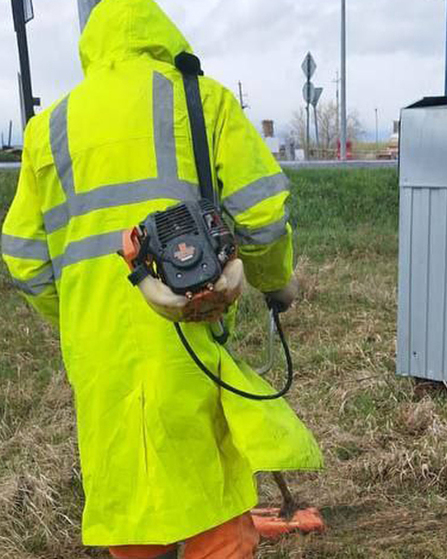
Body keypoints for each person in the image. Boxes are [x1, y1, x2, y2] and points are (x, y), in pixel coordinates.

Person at [0, 0, 323, 557]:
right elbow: (263, 217)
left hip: (99, 356)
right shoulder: (200, 99)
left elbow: (25, 257)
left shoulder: (46, 129)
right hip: (189, 335)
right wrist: (274, 283)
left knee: (130, 499)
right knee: (210, 500)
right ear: (160, 31)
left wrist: (81, 314)